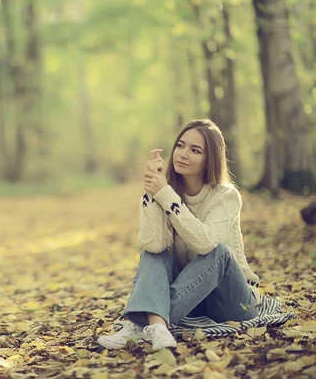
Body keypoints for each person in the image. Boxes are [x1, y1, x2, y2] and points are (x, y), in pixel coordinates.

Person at [98, 119, 261, 351]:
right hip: (193, 298)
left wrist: (165, 195)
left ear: (209, 160)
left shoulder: (226, 196)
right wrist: (152, 196)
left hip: (233, 300)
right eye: (181, 146)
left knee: (220, 252)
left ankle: (143, 321)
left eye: (195, 150)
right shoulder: (167, 191)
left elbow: (205, 244)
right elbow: (152, 244)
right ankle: (155, 327)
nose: (183, 154)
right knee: (155, 252)